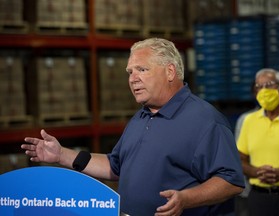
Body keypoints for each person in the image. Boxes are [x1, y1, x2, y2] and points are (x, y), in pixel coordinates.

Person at [22, 38, 244, 216]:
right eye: (130, 72)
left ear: (170, 72)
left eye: (142, 70)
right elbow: (115, 165)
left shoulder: (205, 120)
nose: (133, 79)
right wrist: (62, 155)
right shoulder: (142, 117)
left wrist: (186, 199)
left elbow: (231, 181)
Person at [237, 68, 279, 216]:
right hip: (259, 198)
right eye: (259, 87)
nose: (263, 90)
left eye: (269, 85)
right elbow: (240, 159)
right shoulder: (248, 121)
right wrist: (257, 172)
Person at [234, 81, 258, 216]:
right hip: (249, 191)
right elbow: (238, 156)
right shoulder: (245, 120)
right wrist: (256, 173)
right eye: (258, 88)